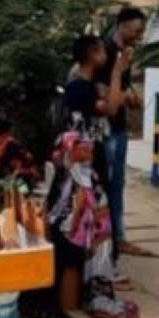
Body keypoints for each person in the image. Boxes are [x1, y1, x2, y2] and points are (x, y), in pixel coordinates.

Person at [60, 34, 139, 297]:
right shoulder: (79, 88)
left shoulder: (90, 84)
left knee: (94, 220)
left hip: (91, 160)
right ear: (92, 55)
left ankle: (98, 275)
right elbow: (112, 108)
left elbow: (116, 99)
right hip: (83, 166)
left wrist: (122, 85)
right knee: (89, 220)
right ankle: (92, 279)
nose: (105, 54)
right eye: (101, 51)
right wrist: (118, 71)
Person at [98, 6, 147, 257]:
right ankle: (106, 239)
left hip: (119, 125)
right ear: (122, 25)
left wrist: (133, 97)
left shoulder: (126, 51)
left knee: (117, 183)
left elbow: (124, 84)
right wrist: (125, 97)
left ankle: (119, 237)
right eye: (137, 30)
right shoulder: (104, 50)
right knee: (106, 184)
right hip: (105, 127)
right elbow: (100, 89)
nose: (140, 35)